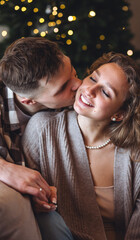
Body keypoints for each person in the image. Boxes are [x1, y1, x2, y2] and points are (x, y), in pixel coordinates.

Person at [22, 52, 140, 240]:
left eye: (105, 92)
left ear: (119, 114)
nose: (89, 90)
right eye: (93, 78)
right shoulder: (42, 129)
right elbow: (29, 198)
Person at [0, 37, 81, 240]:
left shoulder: (80, 102)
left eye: (73, 71)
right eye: (63, 87)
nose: (79, 84)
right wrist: (4, 169)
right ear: (28, 99)